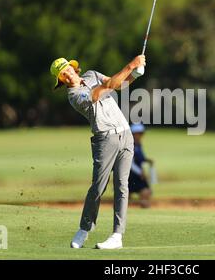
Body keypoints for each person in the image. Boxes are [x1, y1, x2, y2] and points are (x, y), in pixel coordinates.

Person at [50, 54, 146, 249]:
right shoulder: (74, 96)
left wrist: (135, 74)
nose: (66, 74)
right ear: (60, 80)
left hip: (125, 134)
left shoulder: (92, 74)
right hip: (105, 139)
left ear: (72, 67)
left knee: (122, 186)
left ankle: (117, 236)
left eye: (67, 68)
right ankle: (84, 230)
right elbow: (102, 90)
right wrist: (130, 65)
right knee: (98, 187)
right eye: (61, 74)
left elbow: (119, 85)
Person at [128, 123, 154, 208]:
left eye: (142, 133)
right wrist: (140, 172)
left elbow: (138, 158)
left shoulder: (138, 144)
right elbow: (129, 162)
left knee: (145, 192)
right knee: (145, 192)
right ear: (133, 133)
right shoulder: (130, 144)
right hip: (131, 174)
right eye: (140, 133)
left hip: (136, 173)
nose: (142, 135)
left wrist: (146, 160)